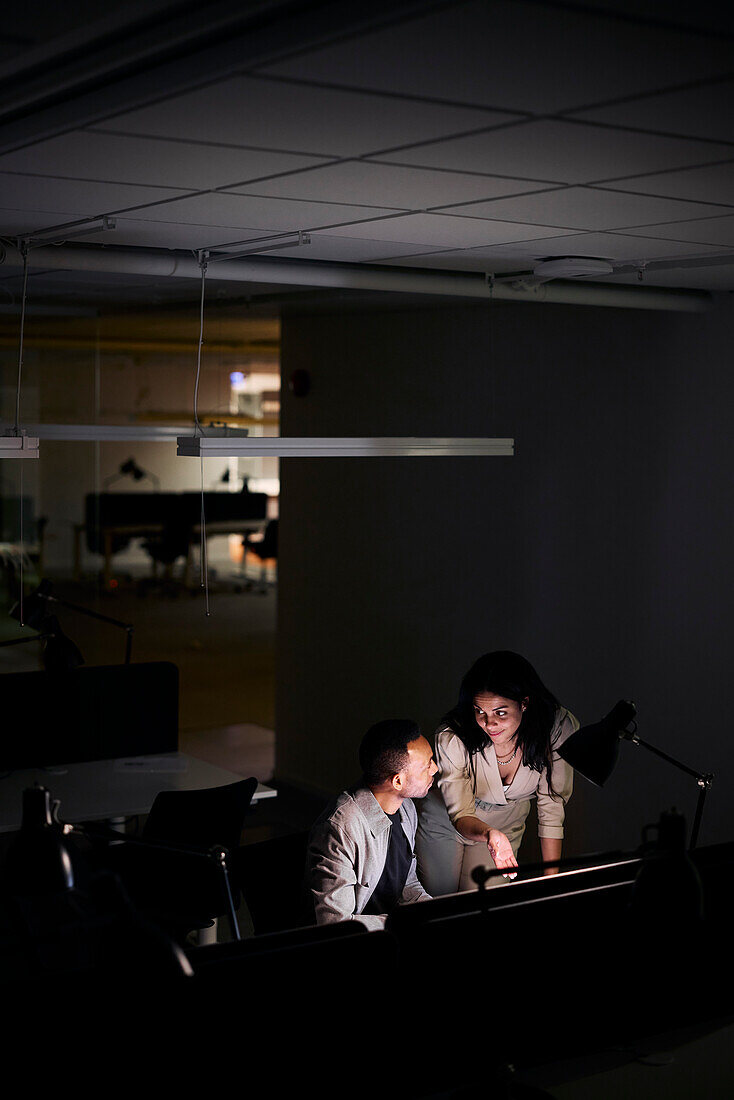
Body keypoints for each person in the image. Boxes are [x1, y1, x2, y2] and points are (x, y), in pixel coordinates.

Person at [415, 651, 577, 896]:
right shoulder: (452, 735)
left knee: (480, 903)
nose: (489, 723)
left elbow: (551, 808)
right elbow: (461, 814)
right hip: (447, 821)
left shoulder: (557, 728)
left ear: (524, 702)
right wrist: (489, 833)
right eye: (479, 711)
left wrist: (550, 883)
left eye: (500, 712)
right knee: (440, 899)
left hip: (505, 825)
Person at [308, 718, 437, 929]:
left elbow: (407, 884)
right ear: (397, 781)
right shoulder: (341, 827)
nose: (435, 768)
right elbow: (334, 923)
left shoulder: (406, 808)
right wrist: (406, 923)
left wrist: (436, 913)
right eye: (426, 765)